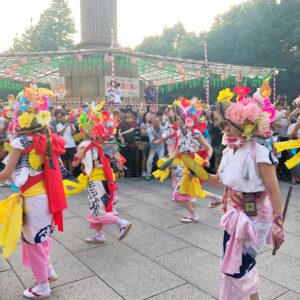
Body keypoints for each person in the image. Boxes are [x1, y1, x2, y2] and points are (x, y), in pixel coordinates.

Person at [207, 87, 284, 300]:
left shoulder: (260, 153)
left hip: (255, 218)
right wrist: (197, 175)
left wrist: (278, 225)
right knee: (240, 266)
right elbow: (221, 181)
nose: (226, 131)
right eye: (224, 126)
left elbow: (274, 190)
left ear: (245, 128)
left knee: (238, 267)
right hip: (233, 216)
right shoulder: (228, 151)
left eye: (230, 126)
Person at [0, 86, 67, 298]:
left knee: (34, 242)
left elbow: (6, 173)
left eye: (18, 114)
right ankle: (48, 271)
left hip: (32, 198)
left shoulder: (20, 142)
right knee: (44, 237)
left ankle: (43, 286)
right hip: (48, 196)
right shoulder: (48, 139)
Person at [65, 106, 132, 243]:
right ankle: (99, 234)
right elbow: (118, 160)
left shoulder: (85, 144)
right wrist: (119, 168)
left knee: (98, 211)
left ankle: (121, 222)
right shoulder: (106, 143)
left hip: (95, 181)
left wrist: (79, 154)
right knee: (95, 208)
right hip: (107, 179)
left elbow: (74, 164)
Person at [118, 108, 138, 177]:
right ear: (125, 114)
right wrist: (121, 138)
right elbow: (119, 132)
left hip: (132, 143)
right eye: (127, 112)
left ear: (132, 114)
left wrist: (122, 134)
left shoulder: (134, 122)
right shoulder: (121, 122)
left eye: (130, 113)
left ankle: (134, 173)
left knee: (133, 158)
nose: (128, 114)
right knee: (123, 159)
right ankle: (124, 173)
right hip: (123, 143)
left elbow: (131, 130)